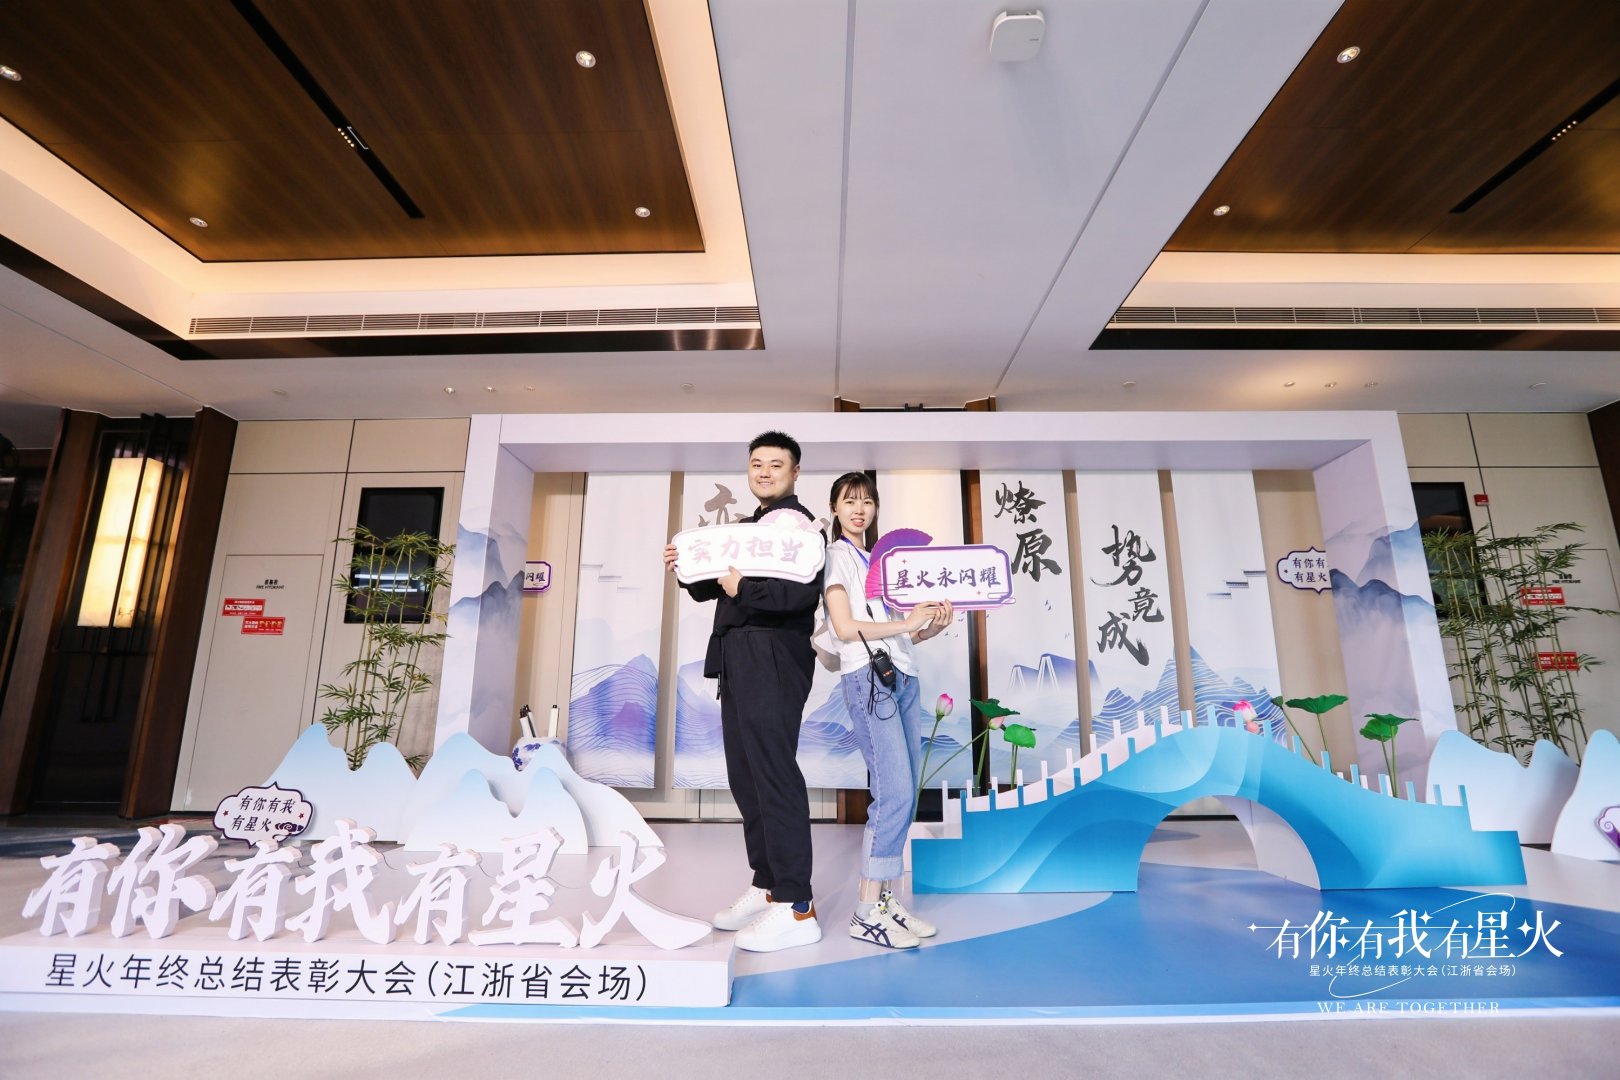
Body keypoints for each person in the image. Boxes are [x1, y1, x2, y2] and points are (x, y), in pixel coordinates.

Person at [663, 431, 824, 952]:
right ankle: (768, 882)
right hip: (738, 656)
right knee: (746, 777)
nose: (764, 472)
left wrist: (744, 588)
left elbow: (799, 595)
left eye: (776, 464)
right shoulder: (747, 529)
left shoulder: (801, 529)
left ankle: (797, 905)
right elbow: (710, 585)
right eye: (757, 463)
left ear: (795, 472)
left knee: (773, 773)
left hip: (773, 655)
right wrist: (685, 563)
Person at [820, 471, 951, 949]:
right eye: (849, 501)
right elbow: (844, 627)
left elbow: (902, 634)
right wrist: (906, 623)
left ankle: (886, 900)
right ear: (834, 508)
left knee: (906, 792)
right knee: (893, 790)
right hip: (868, 677)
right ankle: (865, 910)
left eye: (867, 502)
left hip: (902, 675)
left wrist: (931, 625)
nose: (859, 509)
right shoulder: (836, 556)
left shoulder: (882, 561)